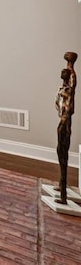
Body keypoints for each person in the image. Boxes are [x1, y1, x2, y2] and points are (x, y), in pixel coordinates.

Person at [55, 52, 77, 204]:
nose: (62, 72)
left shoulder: (70, 88)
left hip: (65, 122)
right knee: (59, 150)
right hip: (62, 119)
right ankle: (61, 184)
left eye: (66, 71)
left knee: (63, 151)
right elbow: (58, 103)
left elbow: (74, 79)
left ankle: (63, 193)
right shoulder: (62, 88)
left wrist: (71, 63)